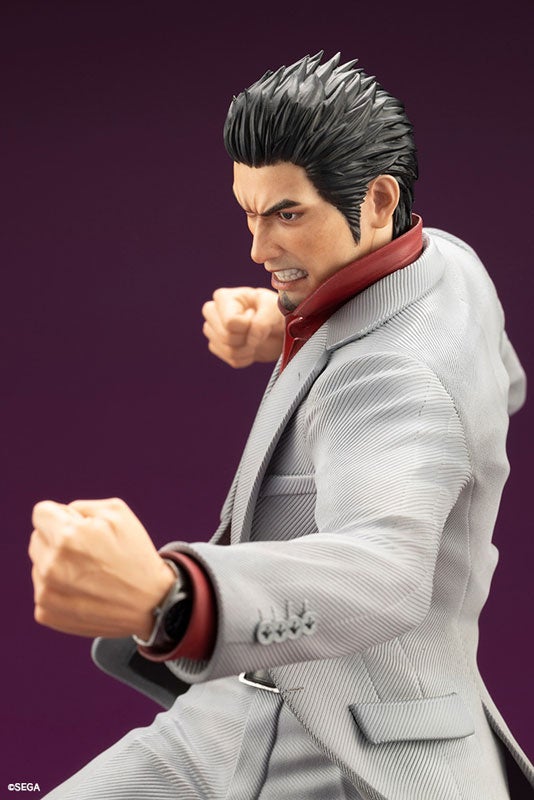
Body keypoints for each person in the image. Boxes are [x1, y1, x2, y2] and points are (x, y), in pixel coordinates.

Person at [29, 53, 533, 799]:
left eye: (287, 215)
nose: (258, 249)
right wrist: (295, 325)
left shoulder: (395, 377)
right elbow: (506, 378)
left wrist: (172, 598)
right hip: (231, 708)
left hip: (348, 750)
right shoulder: (449, 265)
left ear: (378, 200)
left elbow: (387, 572)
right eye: (250, 212)